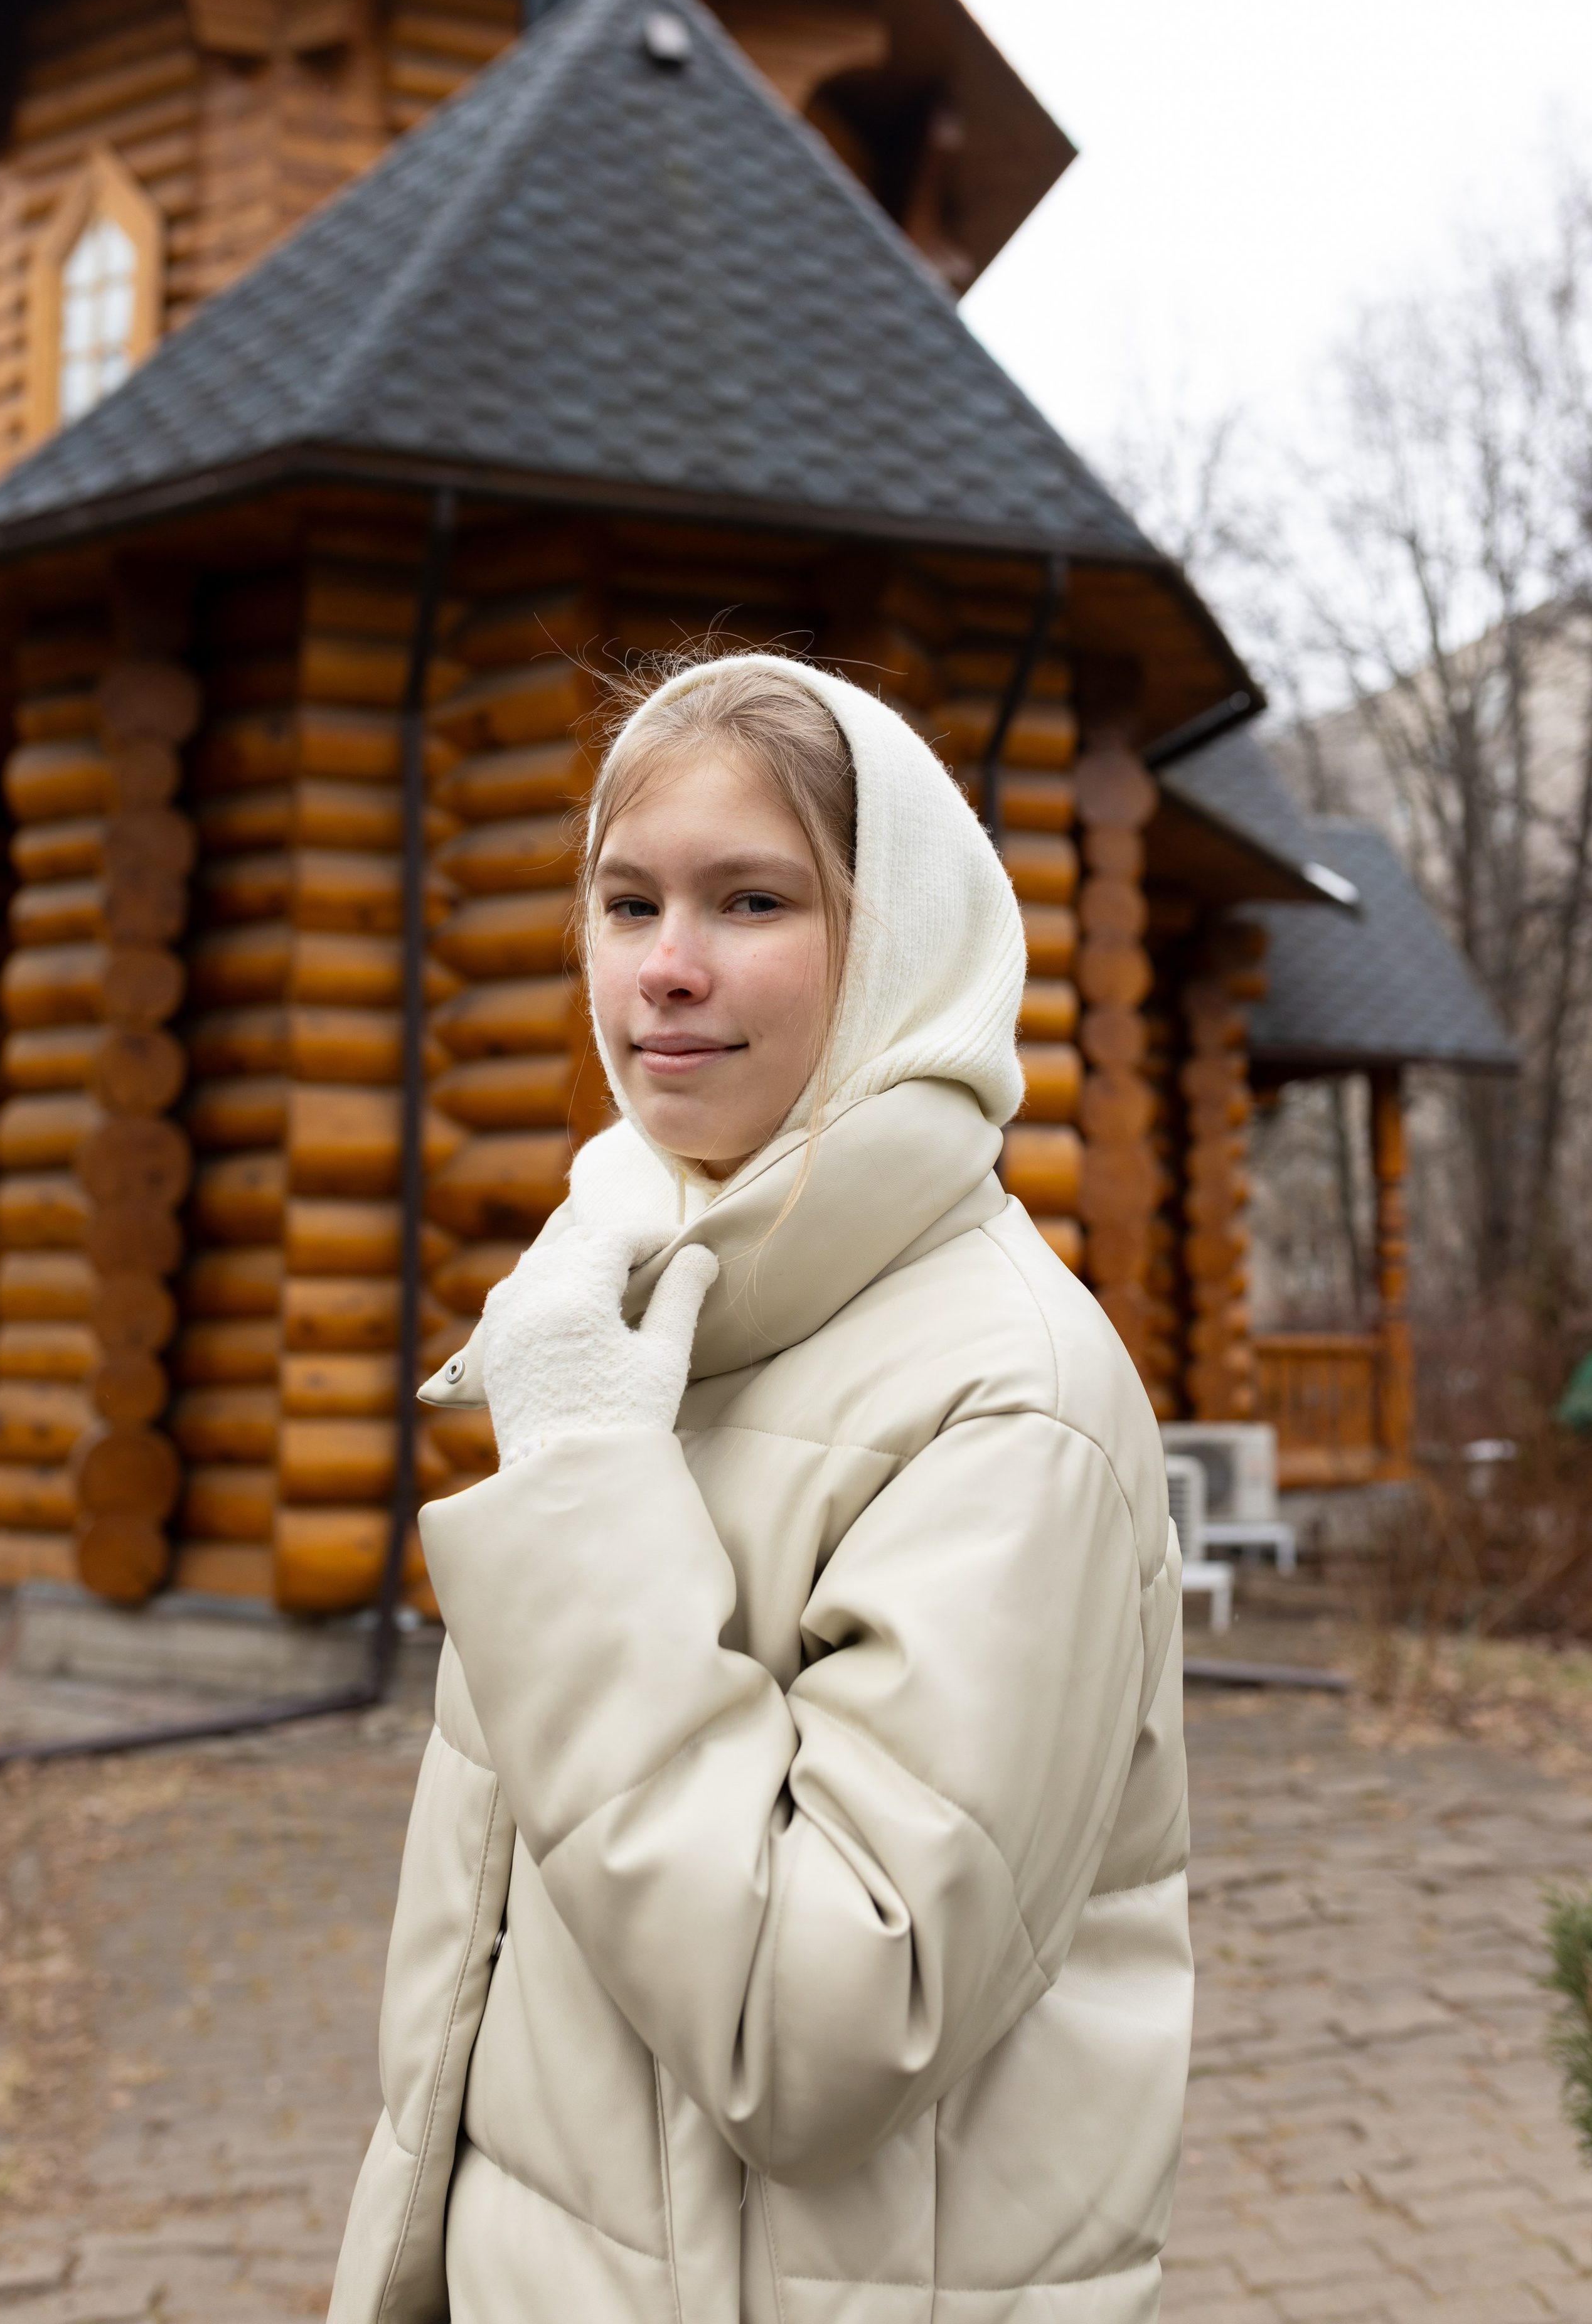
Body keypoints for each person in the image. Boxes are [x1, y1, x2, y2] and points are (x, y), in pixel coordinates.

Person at [329, 653, 1192, 2324]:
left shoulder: (1010, 1400)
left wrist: (583, 1486)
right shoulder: (636, 1290)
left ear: (895, 950)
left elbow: (820, 2030)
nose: (668, 968)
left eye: (752, 899)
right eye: (626, 900)